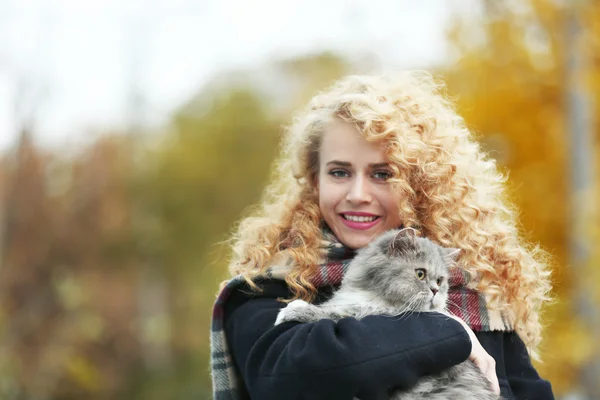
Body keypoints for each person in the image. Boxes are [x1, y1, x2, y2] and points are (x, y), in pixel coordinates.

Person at [210, 71, 554, 400]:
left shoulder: (475, 296)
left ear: (420, 186)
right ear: (316, 181)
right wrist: (450, 332)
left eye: (382, 174)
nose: (358, 193)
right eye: (340, 172)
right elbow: (294, 375)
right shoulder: (268, 287)